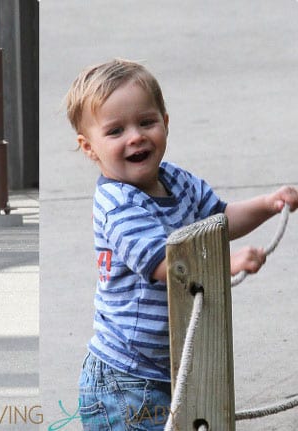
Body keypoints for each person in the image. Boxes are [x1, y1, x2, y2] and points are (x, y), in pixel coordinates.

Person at [64, 58, 298, 430]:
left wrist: (268, 205)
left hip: (168, 367)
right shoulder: (119, 204)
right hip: (126, 380)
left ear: (165, 123)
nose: (135, 136)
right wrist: (228, 264)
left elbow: (220, 220)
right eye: (115, 131)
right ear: (89, 147)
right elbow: (164, 263)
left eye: (146, 122)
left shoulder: (177, 180)